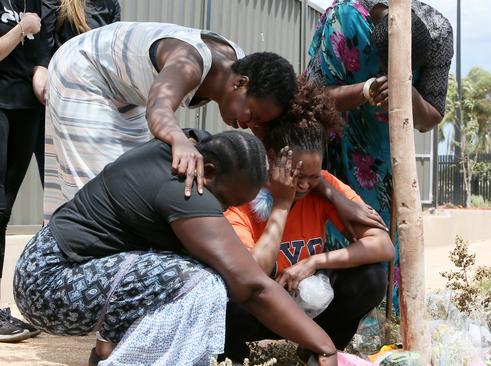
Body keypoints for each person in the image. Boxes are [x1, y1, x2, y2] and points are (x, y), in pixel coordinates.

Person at [13, 130, 339, 366]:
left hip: (72, 271)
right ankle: (117, 356)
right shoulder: (184, 190)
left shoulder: (193, 149)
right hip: (50, 284)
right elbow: (251, 285)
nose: (220, 213)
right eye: (223, 203)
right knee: (203, 281)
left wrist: (338, 200)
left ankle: (109, 350)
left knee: (197, 268)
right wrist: (323, 345)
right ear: (208, 173)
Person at [43, 21, 297, 222]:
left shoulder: (240, 65)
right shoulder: (190, 62)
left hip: (127, 93)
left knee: (128, 182)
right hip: (83, 70)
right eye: (252, 115)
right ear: (241, 84)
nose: (249, 124)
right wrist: (179, 140)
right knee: (96, 192)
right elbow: (158, 108)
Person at [221, 83, 394, 362]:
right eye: (296, 175)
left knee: (372, 277)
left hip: (309, 303)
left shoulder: (321, 187)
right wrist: (282, 203)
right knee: (229, 302)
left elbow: (383, 246)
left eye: (312, 178)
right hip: (260, 307)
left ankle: (318, 348)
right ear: (273, 158)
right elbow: (251, 274)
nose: (303, 185)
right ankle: (234, 358)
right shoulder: (243, 194)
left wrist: (314, 262)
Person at [305, 0, 453, 310]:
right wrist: (366, 90)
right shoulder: (344, 18)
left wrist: (406, 90)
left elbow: (431, 117)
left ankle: (381, 334)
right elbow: (312, 99)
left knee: (386, 253)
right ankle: (330, 336)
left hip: (389, 163)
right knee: (337, 250)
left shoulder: (438, 33)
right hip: (337, 152)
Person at [0, 0, 49, 342]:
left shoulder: (32, 2)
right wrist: (21, 29)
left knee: (3, 212)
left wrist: (41, 73)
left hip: (27, 109)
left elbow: (41, 54)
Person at [31, 0, 121, 184]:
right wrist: (41, 76)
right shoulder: (56, 3)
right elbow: (44, 53)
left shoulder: (111, 4)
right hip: (60, 103)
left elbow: (112, 55)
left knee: (94, 180)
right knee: (59, 181)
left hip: (96, 106)